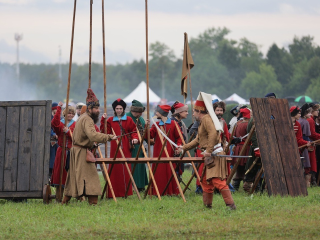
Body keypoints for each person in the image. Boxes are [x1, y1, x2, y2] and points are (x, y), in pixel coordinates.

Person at [177, 92, 236, 210]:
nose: (193, 113)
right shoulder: (203, 121)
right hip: (210, 155)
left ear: (199, 111)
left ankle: (231, 206)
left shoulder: (207, 119)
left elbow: (213, 134)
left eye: (194, 111)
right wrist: (183, 147)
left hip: (214, 155)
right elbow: (198, 140)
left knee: (218, 181)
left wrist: (208, 150)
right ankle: (207, 206)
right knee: (205, 182)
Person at [63, 88, 117, 205]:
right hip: (81, 153)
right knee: (91, 176)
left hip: (77, 151)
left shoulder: (82, 117)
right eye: (96, 109)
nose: (98, 111)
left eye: (98, 108)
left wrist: (92, 143)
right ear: (89, 109)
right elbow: (93, 135)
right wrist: (108, 137)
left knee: (73, 177)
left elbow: (86, 136)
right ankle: (93, 202)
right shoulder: (87, 119)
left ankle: (65, 201)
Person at [100, 98, 139, 198]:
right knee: (115, 169)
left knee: (126, 168)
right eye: (117, 108)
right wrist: (103, 120)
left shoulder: (129, 120)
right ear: (114, 109)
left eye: (120, 108)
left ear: (123, 109)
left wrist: (135, 139)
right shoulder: (110, 120)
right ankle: (114, 193)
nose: (119, 110)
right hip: (114, 146)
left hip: (126, 146)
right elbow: (105, 133)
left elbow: (134, 131)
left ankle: (126, 192)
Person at [149, 105, 182, 196]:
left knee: (170, 172)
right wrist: (145, 127)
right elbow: (149, 136)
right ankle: (157, 192)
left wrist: (178, 147)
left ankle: (170, 192)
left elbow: (179, 137)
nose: (156, 113)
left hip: (170, 153)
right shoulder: (155, 125)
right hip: (158, 153)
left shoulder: (173, 124)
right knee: (158, 173)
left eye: (157, 112)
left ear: (162, 113)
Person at [50, 102, 76, 189]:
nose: (71, 115)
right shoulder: (60, 123)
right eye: (69, 113)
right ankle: (59, 194)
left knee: (71, 171)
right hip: (61, 151)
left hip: (71, 151)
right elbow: (54, 122)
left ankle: (71, 192)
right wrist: (59, 108)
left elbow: (77, 138)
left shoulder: (75, 124)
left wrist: (68, 132)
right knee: (60, 172)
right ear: (65, 113)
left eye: (72, 113)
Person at [126, 99, 148, 192]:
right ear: (133, 111)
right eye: (139, 112)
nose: (140, 114)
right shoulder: (126, 117)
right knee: (132, 166)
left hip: (140, 146)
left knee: (140, 166)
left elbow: (144, 132)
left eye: (141, 112)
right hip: (130, 146)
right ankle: (131, 186)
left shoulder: (141, 119)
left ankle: (140, 185)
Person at [231, 108, 251, 192]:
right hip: (246, 148)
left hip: (238, 148)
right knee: (247, 168)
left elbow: (234, 135)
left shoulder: (238, 123)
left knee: (239, 168)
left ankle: (235, 187)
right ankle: (247, 186)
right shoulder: (248, 124)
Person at [298, 103, 313, 187]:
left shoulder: (299, 120)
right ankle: (306, 184)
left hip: (300, 143)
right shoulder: (305, 122)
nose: (310, 114)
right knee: (305, 164)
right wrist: (309, 144)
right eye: (309, 113)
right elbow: (306, 136)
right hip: (303, 144)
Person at [306, 103, 320, 186]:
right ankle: (312, 182)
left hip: (311, 142)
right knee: (311, 163)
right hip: (310, 143)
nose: (318, 112)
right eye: (316, 110)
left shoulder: (311, 119)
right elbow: (312, 134)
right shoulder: (310, 120)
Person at [50, 102, 59, 178]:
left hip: (58, 142)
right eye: (55, 109)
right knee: (51, 158)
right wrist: (53, 134)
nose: (56, 110)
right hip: (50, 141)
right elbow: (48, 128)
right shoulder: (48, 118)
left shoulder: (59, 118)